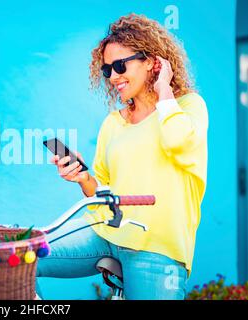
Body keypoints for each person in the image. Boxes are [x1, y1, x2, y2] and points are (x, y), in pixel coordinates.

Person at [35, 13, 208, 300]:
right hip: (106, 234)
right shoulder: (114, 123)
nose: (113, 76)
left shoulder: (189, 107)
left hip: (157, 248)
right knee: (23, 257)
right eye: (107, 70)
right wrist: (82, 178)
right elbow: (101, 195)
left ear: (153, 62)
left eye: (120, 65)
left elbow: (178, 142)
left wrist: (163, 89)